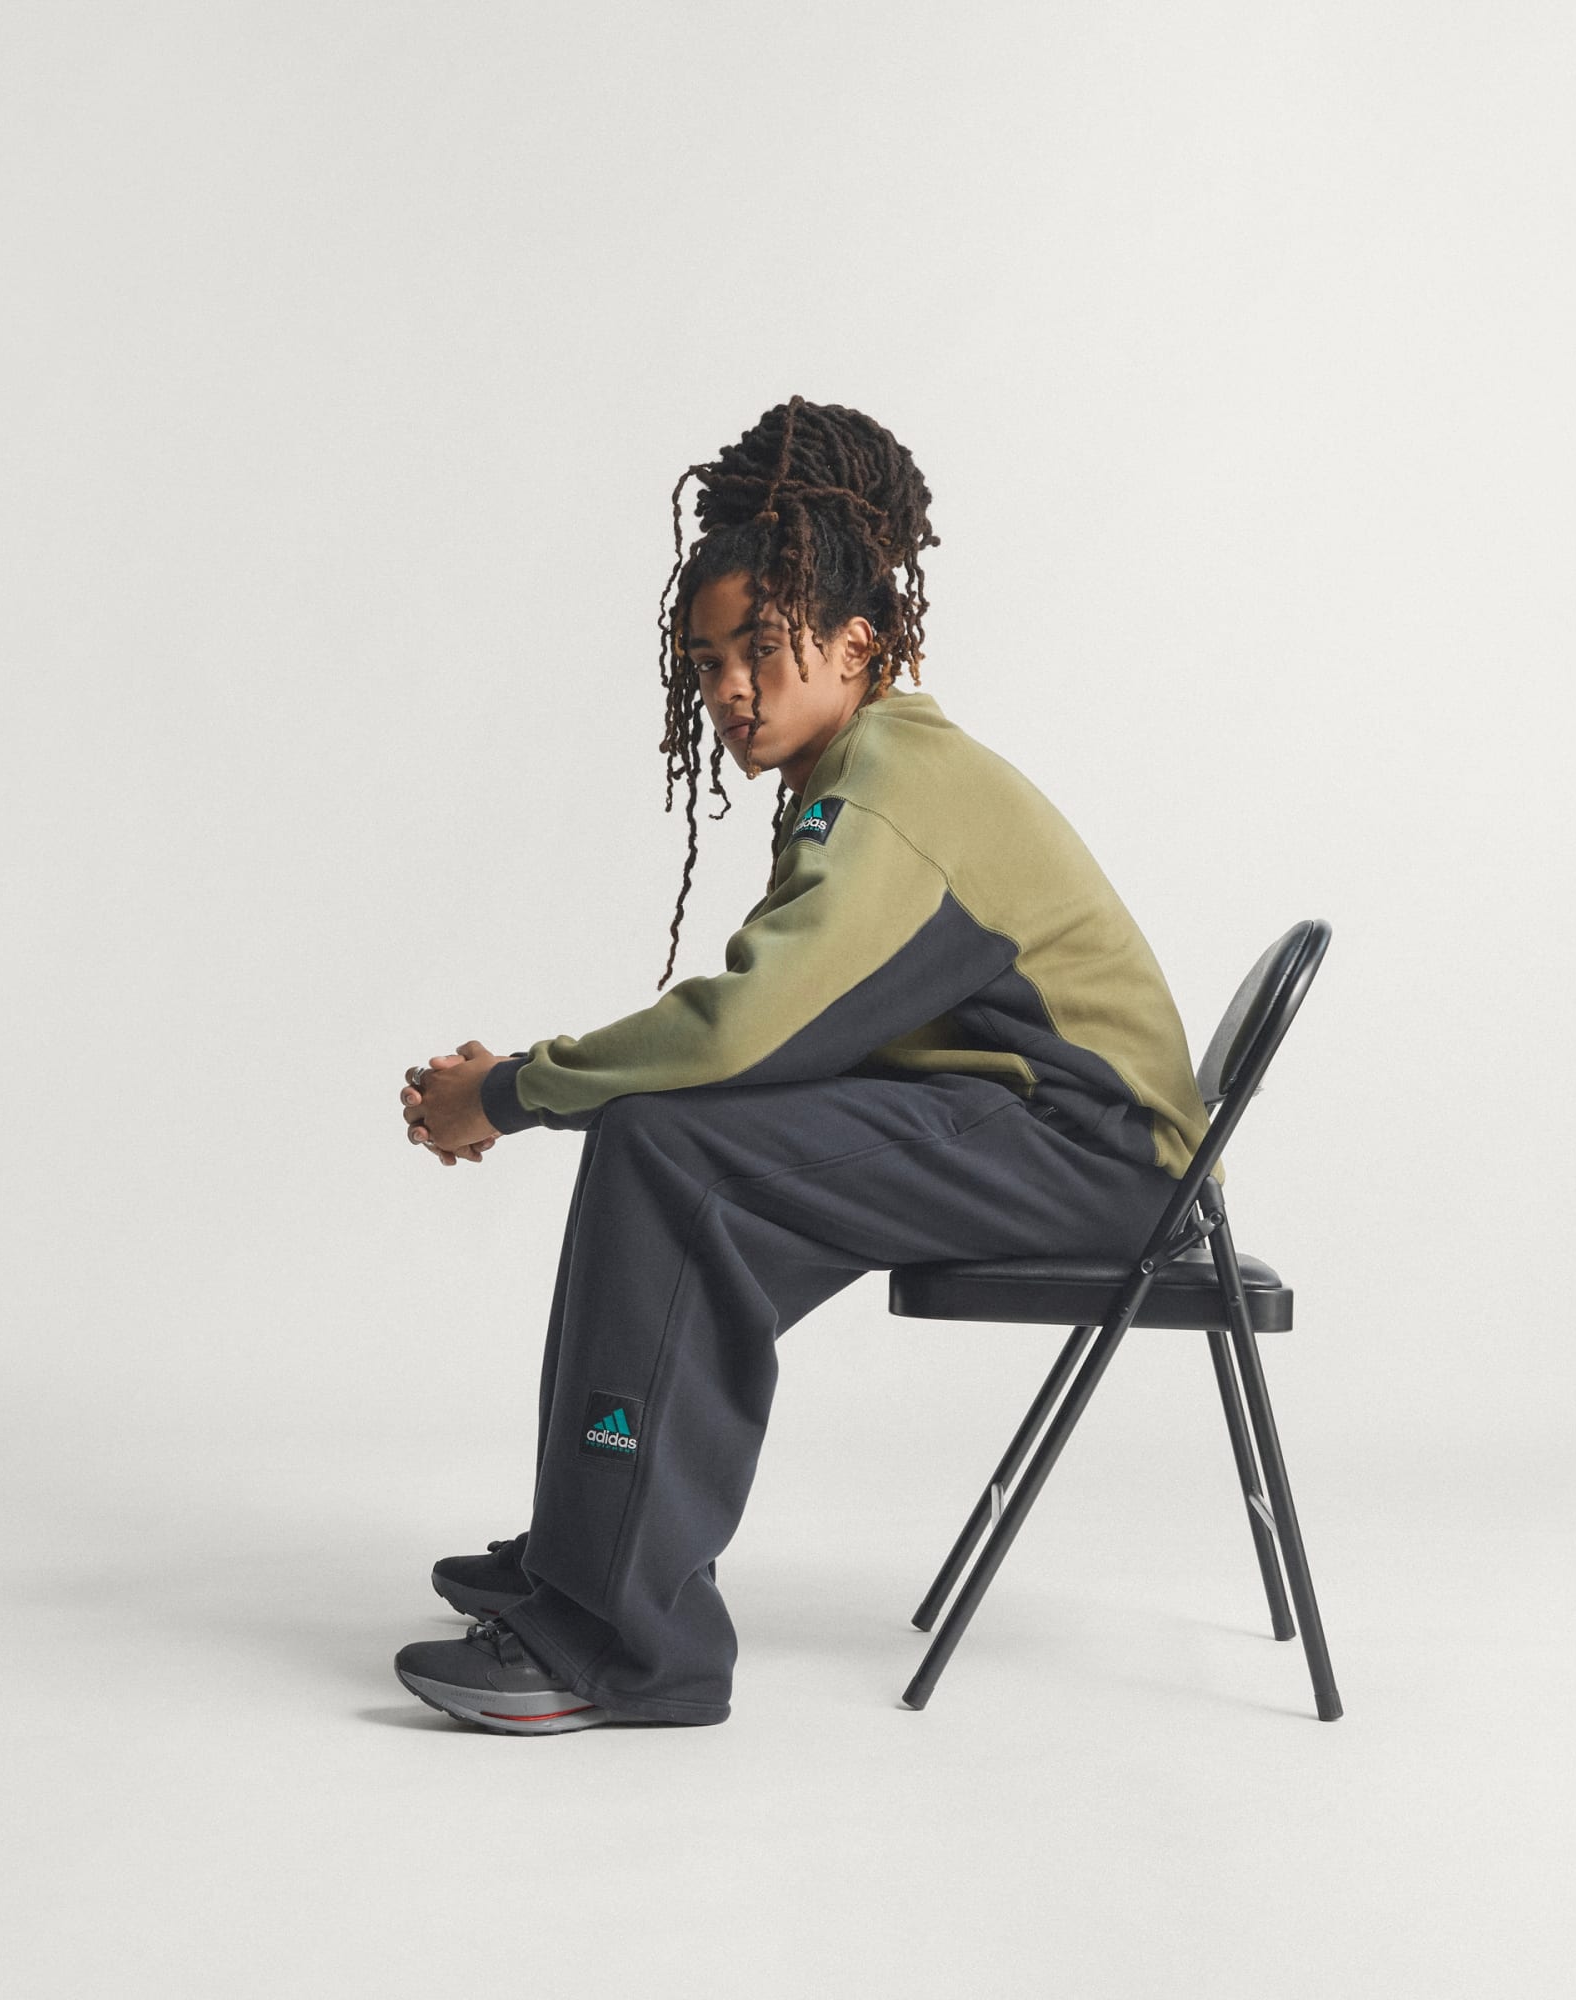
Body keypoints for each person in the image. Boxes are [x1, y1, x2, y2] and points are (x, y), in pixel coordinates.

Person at [392, 396, 1214, 1734]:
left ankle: (623, 1645)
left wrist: (513, 1089)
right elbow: (779, 1035)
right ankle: (594, 1553)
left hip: (1094, 1150)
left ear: (857, 643)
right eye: (706, 660)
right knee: (673, 1150)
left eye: (762, 650)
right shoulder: (875, 767)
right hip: (1042, 1127)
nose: (729, 687)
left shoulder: (893, 789)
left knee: (671, 1154)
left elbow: (742, 1029)